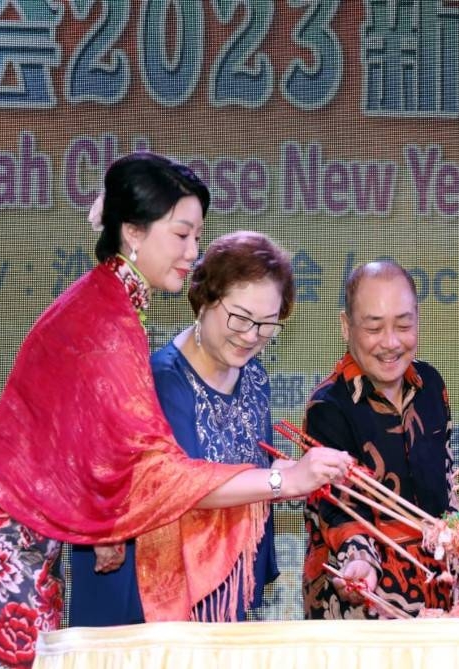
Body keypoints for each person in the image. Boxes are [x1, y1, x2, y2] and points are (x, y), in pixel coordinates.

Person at [0, 152, 351, 669]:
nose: (192, 252)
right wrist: (282, 480)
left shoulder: (109, 303)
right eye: (182, 235)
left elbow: (95, 441)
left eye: (197, 237)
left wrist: (106, 522)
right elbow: (154, 474)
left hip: (26, 527)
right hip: (9, 527)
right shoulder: (111, 323)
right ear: (134, 231)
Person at [69, 231, 295, 624]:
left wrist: (278, 477)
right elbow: (185, 489)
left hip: (222, 591)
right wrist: (280, 482)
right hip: (145, 593)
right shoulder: (159, 380)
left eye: (267, 324)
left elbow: (254, 477)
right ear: (204, 298)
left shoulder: (256, 378)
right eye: (240, 317)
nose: (251, 336)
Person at [302, 260, 455, 619]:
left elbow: (445, 485)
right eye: (374, 327)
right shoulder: (329, 407)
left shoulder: (431, 386)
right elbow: (338, 509)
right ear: (346, 327)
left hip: (436, 601)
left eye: (404, 325)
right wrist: (359, 562)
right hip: (365, 605)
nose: (391, 342)